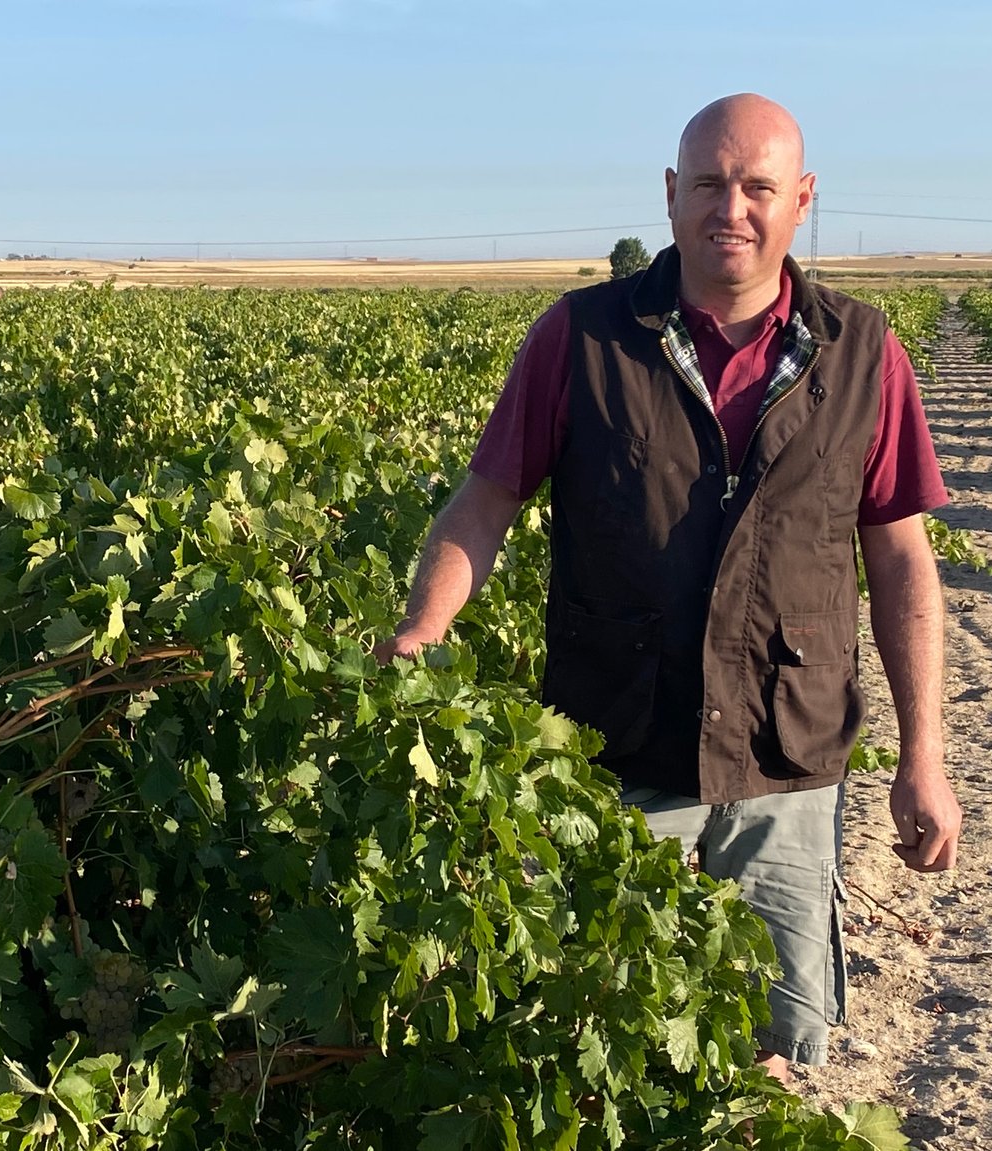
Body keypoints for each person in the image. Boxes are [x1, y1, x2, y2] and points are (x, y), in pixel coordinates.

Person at [377, 93, 961, 1081]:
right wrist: (420, 629)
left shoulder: (861, 352)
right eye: (705, 183)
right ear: (668, 194)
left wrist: (923, 754)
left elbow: (899, 558)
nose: (727, 207)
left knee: (769, 1041)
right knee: (600, 1027)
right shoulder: (581, 337)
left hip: (786, 753)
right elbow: (485, 502)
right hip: (616, 743)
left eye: (755, 186)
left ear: (799, 200)